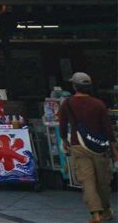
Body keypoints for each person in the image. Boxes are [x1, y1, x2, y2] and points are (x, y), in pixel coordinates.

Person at [59, 72, 115, 223]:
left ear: (74, 86)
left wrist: (64, 139)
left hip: (78, 145)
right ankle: (106, 210)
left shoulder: (67, 103)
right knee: (102, 182)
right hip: (99, 147)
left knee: (87, 181)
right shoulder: (99, 104)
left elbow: (62, 124)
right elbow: (108, 129)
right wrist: (114, 148)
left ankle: (95, 213)